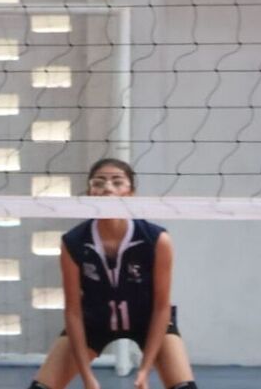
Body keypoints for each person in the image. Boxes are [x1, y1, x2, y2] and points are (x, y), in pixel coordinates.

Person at [28, 159, 198, 389]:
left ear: (131, 194)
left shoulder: (156, 240)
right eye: (98, 183)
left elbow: (161, 307)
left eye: (117, 182)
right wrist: (87, 377)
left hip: (148, 320)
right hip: (93, 322)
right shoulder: (74, 242)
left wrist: (144, 371)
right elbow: (73, 312)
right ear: (90, 193)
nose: (107, 188)